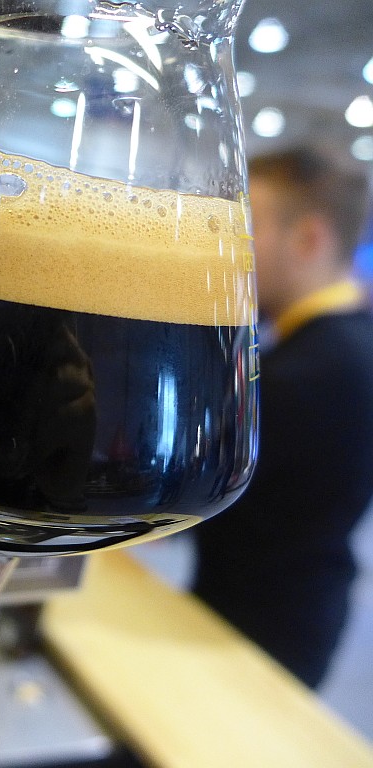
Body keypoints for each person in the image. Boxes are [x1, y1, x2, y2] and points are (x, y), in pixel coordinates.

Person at [191, 147, 373, 688]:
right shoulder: (341, 343)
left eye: (247, 227)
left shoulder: (315, 369)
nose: (230, 248)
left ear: (309, 239)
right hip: (290, 605)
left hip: (258, 629)